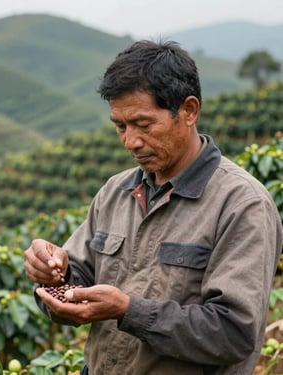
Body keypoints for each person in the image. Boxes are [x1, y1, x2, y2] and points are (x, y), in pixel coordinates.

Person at [24, 40, 283, 375]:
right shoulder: (116, 192)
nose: (130, 141)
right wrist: (52, 275)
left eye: (143, 125)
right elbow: (77, 276)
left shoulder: (241, 204)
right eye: (120, 126)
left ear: (189, 110)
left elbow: (234, 333)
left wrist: (127, 311)